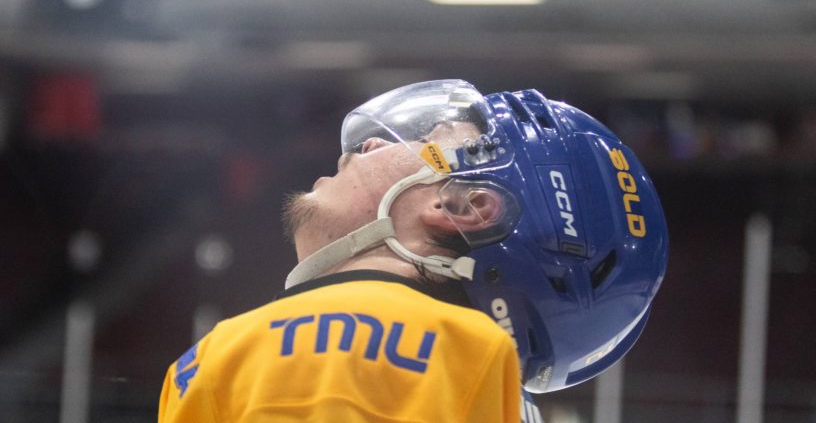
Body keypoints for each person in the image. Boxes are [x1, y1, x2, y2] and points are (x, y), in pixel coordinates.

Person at [158, 79, 668, 422]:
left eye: (435, 139)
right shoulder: (483, 375)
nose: (370, 145)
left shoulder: (250, 350)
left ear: (466, 206)